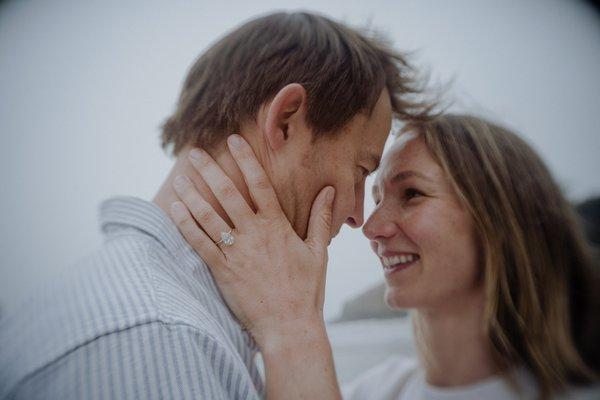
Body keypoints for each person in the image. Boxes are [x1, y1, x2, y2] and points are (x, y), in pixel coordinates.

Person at [0, 11, 432, 400]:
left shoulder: (165, 313)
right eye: (360, 171)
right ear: (284, 122)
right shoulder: (161, 338)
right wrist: (297, 331)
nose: (358, 215)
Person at [171, 114, 600, 399]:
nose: (372, 228)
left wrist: (291, 324)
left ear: (503, 219)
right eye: (375, 196)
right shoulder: (372, 393)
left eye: (411, 194)